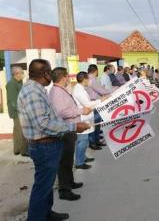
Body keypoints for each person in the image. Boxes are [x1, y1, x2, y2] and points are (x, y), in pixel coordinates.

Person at [17, 59, 89, 221]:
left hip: (49, 143)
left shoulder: (39, 89)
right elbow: (43, 124)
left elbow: (50, 117)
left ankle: (46, 213)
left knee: (47, 184)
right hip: (43, 145)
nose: (52, 74)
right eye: (50, 71)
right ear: (45, 73)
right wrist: (73, 127)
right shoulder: (32, 92)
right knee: (42, 186)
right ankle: (36, 217)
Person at [49, 67, 93, 201]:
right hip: (65, 130)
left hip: (70, 129)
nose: (69, 78)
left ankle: (70, 182)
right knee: (64, 161)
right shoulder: (56, 92)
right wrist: (80, 112)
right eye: (67, 76)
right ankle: (64, 190)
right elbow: (62, 112)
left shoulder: (61, 90)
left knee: (68, 159)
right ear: (63, 77)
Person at [73, 72, 106, 169]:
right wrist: (100, 101)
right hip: (83, 118)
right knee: (82, 141)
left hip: (86, 117)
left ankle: (82, 157)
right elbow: (88, 104)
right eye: (88, 79)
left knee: (84, 140)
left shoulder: (81, 89)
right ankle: (79, 162)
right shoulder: (79, 91)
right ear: (84, 80)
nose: (90, 81)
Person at [87, 64, 111, 149]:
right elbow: (100, 90)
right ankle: (94, 142)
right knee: (95, 123)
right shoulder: (92, 80)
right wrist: (111, 91)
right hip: (94, 103)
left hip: (93, 102)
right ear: (96, 71)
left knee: (96, 123)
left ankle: (95, 141)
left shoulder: (88, 78)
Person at [6, 66, 28, 156]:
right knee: (21, 131)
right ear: (17, 74)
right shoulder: (11, 84)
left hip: (19, 109)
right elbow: (13, 100)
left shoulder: (19, 82)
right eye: (22, 73)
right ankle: (24, 151)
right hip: (17, 111)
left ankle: (17, 149)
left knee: (17, 130)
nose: (23, 74)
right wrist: (20, 110)